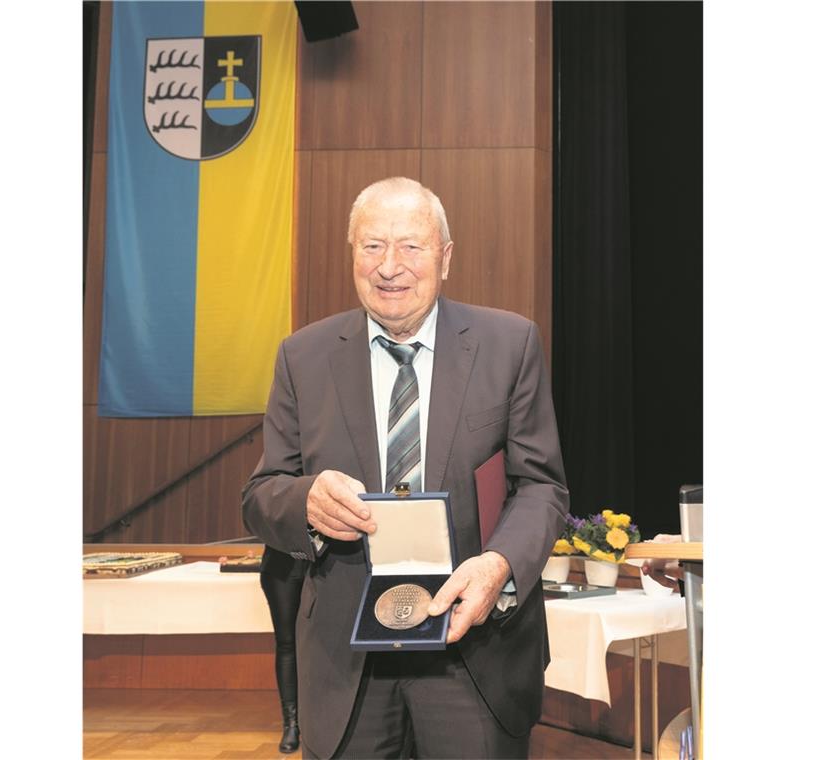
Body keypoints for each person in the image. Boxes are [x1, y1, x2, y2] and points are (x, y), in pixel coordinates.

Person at [242, 177, 569, 759]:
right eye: (372, 246)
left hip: (473, 645)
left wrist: (498, 565)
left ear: (445, 257)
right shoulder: (303, 356)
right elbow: (263, 493)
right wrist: (305, 502)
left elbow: (541, 487)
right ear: (353, 254)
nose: (390, 266)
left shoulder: (509, 343)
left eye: (411, 246)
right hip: (347, 660)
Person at [259, 545, 308, 753]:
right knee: (287, 643)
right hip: (280, 566)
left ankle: (320, 718)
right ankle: (291, 723)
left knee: (324, 643)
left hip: (325, 568)